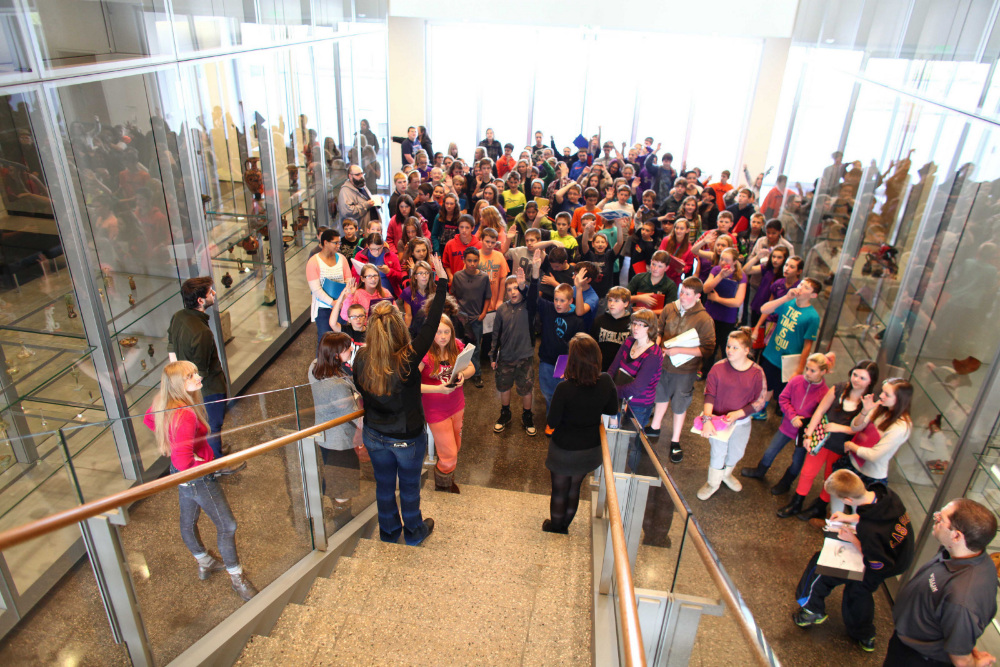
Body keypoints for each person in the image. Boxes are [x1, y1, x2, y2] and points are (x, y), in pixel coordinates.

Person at [353, 254, 449, 546]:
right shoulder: (407, 359)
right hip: (406, 437)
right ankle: (415, 533)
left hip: (374, 434)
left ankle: (390, 533)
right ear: (399, 328)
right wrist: (442, 279)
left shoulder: (360, 360)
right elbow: (432, 323)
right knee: (409, 488)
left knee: (383, 487)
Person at [143, 361, 257, 600]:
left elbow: (149, 420)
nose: (197, 377)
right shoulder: (185, 414)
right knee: (227, 525)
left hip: (180, 474)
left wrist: (174, 444)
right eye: (190, 376)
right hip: (196, 477)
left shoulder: (165, 403)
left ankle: (204, 561)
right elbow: (184, 461)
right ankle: (237, 578)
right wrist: (205, 465)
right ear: (177, 385)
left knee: (188, 521)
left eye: (195, 372)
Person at [792, 470, 914, 653]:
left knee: (821, 566)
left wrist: (853, 539)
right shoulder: (885, 495)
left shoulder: (869, 531)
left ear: (848, 501)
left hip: (882, 562)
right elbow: (874, 515)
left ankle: (811, 609)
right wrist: (850, 518)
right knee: (858, 592)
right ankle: (864, 635)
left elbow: (875, 561)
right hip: (901, 554)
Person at [885, 498, 998, 667]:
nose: (935, 517)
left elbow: (961, 659)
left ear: (957, 535)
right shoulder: (958, 552)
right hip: (907, 641)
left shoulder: (962, 598)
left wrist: (975, 663)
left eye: (941, 519)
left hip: (918, 659)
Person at [779, 359, 879, 519]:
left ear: (871, 381)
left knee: (830, 478)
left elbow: (860, 428)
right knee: (807, 472)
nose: (856, 380)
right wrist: (808, 434)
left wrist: (839, 427)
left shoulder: (868, 403)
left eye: (862, 378)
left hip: (841, 446)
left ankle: (820, 506)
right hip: (821, 440)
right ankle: (796, 503)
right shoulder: (838, 388)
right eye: (855, 375)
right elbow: (820, 411)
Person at [542, 333, 619, 534]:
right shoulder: (606, 381)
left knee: (559, 489)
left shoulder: (564, 387)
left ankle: (556, 527)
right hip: (590, 447)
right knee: (574, 488)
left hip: (563, 448)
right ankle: (565, 525)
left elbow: (552, 422)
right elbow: (612, 409)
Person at [167, 277, 244, 473]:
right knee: (213, 425)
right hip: (209, 388)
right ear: (201, 301)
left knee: (207, 425)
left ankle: (214, 450)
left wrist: (179, 380)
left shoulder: (178, 317)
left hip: (187, 385)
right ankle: (216, 464)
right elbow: (201, 371)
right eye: (210, 292)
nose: (214, 294)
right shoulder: (202, 332)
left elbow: (170, 346)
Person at [647, 278, 715, 464]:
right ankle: (655, 426)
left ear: (698, 296)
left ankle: (675, 440)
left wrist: (679, 351)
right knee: (660, 394)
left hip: (685, 369)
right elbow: (659, 329)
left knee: (680, 402)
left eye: (687, 293)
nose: (682, 296)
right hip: (664, 363)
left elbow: (708, 348)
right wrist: (657, 345)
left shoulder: (704, 319)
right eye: (681, 291)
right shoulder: (670, 308)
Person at [741, 352, 832, 488]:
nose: (807, 373)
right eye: (807, 368)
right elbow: (783, 398)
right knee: (771, 450)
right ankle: (760, 470)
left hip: (804, 432)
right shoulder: (796, 381)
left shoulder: (825, 392)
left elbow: (822, 414)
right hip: (787, 426)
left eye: (812, 370)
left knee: (797, 460)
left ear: (823, 372)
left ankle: (786, 483)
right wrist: (792, 416)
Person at [695, 328, 766, 500]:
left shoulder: (757, 373)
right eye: (728, 346)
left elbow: (760, 400)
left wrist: (740, 413)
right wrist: (707, 420)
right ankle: (713, 482)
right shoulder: (718, 368)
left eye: (735, 348)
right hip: (719, 421)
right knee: (718, 453)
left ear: (746, 350)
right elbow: (709, 395)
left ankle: (725, 475)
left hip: (742, 423)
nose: (729, 351)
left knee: (736, 452)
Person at [420, 314, 475, 493]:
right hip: (436, 411)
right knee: (449, 454)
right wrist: (439, 389)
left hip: (457, 405)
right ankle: (442, 485)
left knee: (455, 448)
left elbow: (471, 367)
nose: (443, 336)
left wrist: (462, 375)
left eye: (446, 332)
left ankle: (446, 478)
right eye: (438, 332)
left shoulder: (457, 346)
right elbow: (410, 385)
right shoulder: (424, 353)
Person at [309, 332, 362, 517]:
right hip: (341, 442)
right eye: (348, 349)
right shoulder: (338, 387)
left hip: (325, 436)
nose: (351, 351)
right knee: (343, 485)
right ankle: (343, 518)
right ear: (336, 355)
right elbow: (357, 419)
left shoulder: (315, 367)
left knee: (333, 473)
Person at [754, 279, 821, 420]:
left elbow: (808, 344)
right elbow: (764, 309)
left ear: (813, 295)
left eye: (806, 287)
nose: (801, 288)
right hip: (771, 353)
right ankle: (760, 408)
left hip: (787, 361)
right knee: (764, 384)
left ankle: (780, 416)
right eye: (801, 284)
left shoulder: (813, 316)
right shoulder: (788, 302)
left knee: (780, 391)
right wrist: (786, 297)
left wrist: (799, 369)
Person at [530, 249, 586, 408]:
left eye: (562, 301)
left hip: (564, 360)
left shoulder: (577, 320)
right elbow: (534, 297)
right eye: (556, 300)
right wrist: (535, 273)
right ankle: (551, 418)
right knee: (547, 391)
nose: (558, 304)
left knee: (561, 391)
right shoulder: (548, 308)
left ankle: (559, 417)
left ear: (570, 301)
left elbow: (579, 346)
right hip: (547, 359)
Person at [492, 273, 536, 436]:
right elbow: (496, 334)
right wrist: (492, 356)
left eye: (516, 288)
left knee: (526, 387)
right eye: (509, 289)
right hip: (505, 356)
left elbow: (532, 295)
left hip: (525, 356)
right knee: (504, 385)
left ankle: (527, 414)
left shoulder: (528, 306)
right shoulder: (502, 309)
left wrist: (526, 284)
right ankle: (505, 413)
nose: (513, 292)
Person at [607, 309, 664, 430]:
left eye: (641, 325)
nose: (635, 328)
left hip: (638, 405)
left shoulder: (653, 355)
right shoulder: (629, 341)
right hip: (620, 397)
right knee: (613, 434)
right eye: (634, 323)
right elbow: (613, 367)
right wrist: (607, 384)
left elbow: (637, 388)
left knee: (631, 443)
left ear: (651, 328)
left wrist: (612, 391)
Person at [450, 246, 491, 388]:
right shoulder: (457, 276)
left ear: (478, 260)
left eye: (475, 261)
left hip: (475, 320)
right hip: (460, 319)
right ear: (464, 261)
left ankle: (477, 374)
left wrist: (483, 313)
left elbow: (487, 297)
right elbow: (453, 296)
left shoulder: (484, 277)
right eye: (469, 261)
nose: (472, 264)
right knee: (458, 347)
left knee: (475, 348)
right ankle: (458, 373)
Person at [306, 229, 349, 346]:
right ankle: (322, 364)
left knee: (343, 338)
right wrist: (333, 302)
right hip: (323, 307)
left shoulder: (342, 258)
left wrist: (342, 300)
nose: (338, 246)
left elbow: (348, 280)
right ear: (325, 243)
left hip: (341, 305)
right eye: (335, 243)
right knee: (325, 340)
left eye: (339, 243)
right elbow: (316, 289)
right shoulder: (313, 261)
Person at [591, 286, 632, 372]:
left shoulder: (632, 324)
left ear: (626, 303)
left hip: (621, 370)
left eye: (616, 301)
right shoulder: (599, 321)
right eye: (610, 300)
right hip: (600, 367)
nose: (612, 304)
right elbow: (592, 345)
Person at [627, 250, 678, 316]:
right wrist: (639, 298)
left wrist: (646, 312)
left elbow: (670, 310)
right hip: (636, 316)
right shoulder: (638, 278)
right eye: (653, 264)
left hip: (657, 320)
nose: (655, 268)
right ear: (650, 262)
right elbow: (624, 298)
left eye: (660, 266)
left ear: (666, 268)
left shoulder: (670, 285)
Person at [338, 164, 381, 230]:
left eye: (362, 174)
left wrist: (377, 201)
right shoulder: (345, 191)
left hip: (370, 226)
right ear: (350, 176)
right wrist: (366, 205)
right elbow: (347, 212)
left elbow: (367, 199)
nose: (361, 177)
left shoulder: (362, 185)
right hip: (359, 230)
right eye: (358, 175)